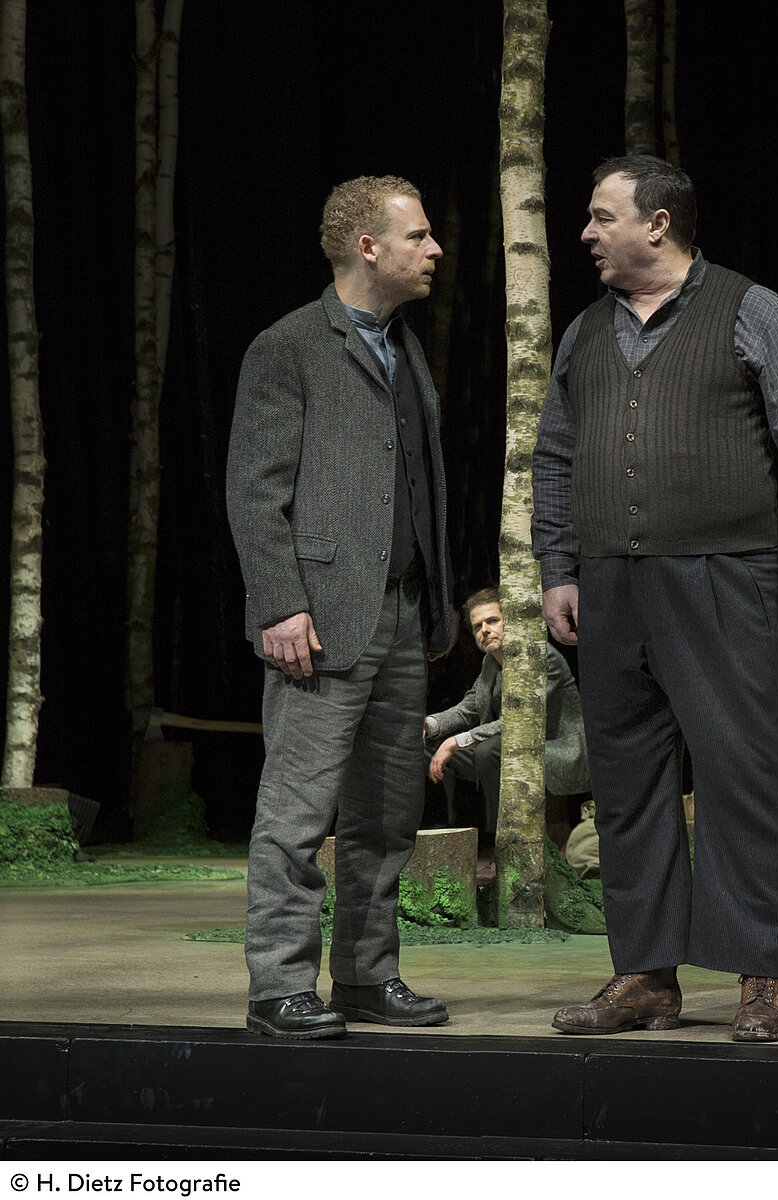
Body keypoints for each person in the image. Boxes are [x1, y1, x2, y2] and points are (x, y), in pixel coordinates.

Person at [531, 155, 778, 1043]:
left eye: (602, 217)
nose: (587, 233)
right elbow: (555, 457)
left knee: (740, 776)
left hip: (723, 575)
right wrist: (558, 567)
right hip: (611, 583)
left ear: (658, 223)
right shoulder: (585, 332)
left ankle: (759, 978)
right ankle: (645, 975)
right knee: (625, 784)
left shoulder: (749, 310)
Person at [226, 176, 456, 1038]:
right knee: (297, 815)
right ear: (369, 247)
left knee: (387, 816)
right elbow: (255, 492)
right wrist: (280, 605)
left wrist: (435, 605)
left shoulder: (405, 347)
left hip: (400, 613)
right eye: (418, 236)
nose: (433, 250)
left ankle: (365, 974)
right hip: (318, 620)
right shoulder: (289, 346)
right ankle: (279, 985)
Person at [424, 587, 593, 874]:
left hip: (557, 752)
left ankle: (501, 848)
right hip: (515, 748)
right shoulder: (491, 663)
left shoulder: (541, 658)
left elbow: (518, 719)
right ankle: (436, 842)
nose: (484, 630)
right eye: (477, 626)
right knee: (424, 747)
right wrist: (428, 725)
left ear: (511, 621)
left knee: (489, 750)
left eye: (492, 621)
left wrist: (456, 741)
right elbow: (469, 708)